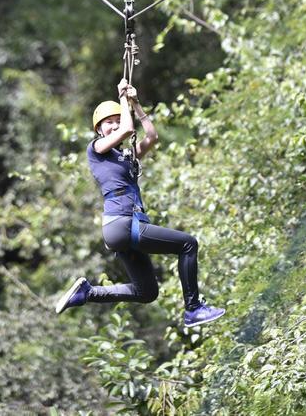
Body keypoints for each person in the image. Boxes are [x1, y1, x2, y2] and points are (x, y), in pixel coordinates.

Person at [55, 78, 226, 328]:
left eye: (116, 120)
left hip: (124, 227)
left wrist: (135, 105)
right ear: (99, 130)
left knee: (147, 292)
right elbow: (126, 130)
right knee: (188, 244)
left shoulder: (125, 157)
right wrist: (122, 99)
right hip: (121, 223)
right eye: (108, 123)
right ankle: (193, 308)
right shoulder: (96, 149)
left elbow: (152, 136)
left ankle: (88, 293)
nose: (114, 126)